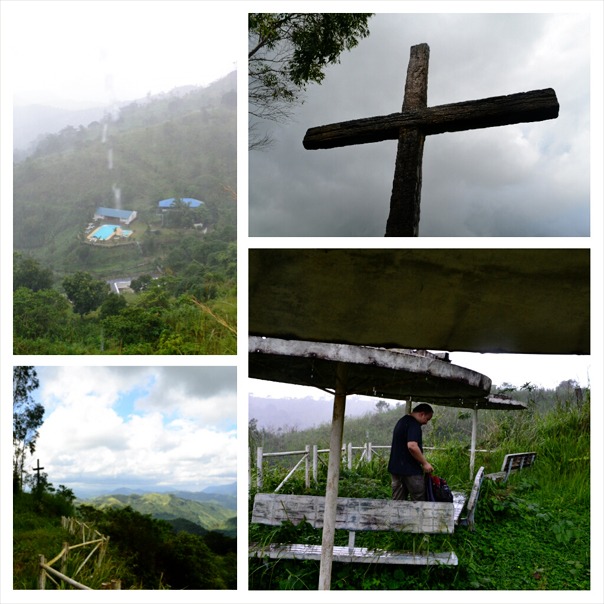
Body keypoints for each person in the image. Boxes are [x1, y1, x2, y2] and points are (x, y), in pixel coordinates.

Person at [387, 403, 434, 501]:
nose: (426, 423)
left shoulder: (402, 421)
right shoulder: (414, 425)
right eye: (427, 419)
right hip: (410, 470)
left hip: (396, 468)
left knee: (398, 501)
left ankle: (397, 516)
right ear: (422, 414)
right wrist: (425, 463)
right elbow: (412, 446)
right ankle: (418, 517)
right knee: (418, 499)